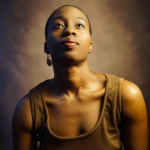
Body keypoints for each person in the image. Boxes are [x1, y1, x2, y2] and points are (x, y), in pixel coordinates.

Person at [12, 5, 148, 150]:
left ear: (90, 45)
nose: (69, 30)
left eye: (79, 25)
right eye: (58, 25)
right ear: (46, 47)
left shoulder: (126, 96)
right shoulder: (27, 110)